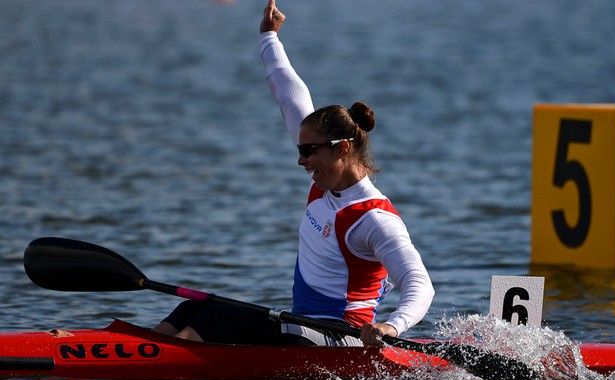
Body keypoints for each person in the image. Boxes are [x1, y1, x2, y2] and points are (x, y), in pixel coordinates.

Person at [153, 0, 434, 347]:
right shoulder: (324, 182)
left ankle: (162, 373)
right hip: (303, 326)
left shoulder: (374, 218)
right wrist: (269, 37)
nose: (300, 160)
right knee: (191, 308)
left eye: (307, 151)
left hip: (340, 337)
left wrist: (392, 327)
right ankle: (127, 354)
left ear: (341, 149)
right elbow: (288, 93)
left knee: (214, 318)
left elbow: (419, 282)